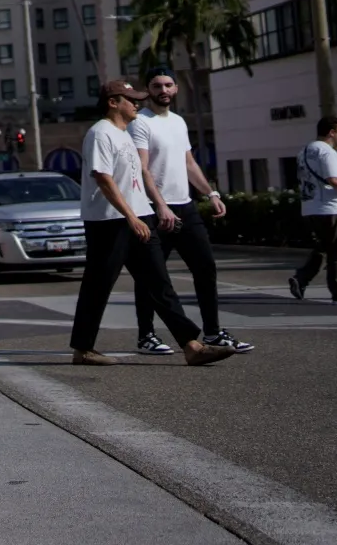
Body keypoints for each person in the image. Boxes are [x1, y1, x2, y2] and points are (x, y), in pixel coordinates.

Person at [68, 80, 235, 367]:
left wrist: (147, 211)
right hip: (110, 222)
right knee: (98, 285)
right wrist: (131, 217)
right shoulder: (100, 133)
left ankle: (192, 346)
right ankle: (83, 350)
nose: (137, 103)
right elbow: (103, 178)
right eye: (131, 99)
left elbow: (136, 178)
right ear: (113, 102)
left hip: (138, 217)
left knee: (160, 283)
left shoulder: (124, 135)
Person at [128, 72, 250, 355]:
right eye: (157, 85)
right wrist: (160, 205)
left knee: (205, 268)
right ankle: (146, 335)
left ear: (176, 88)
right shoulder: (141, 123)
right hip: (155, 210)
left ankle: (212, 332)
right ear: (148, 89)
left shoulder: (179, 122)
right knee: (152, 276)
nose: (163, 90)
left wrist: (212, 194)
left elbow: (189, 162)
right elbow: (142, 168)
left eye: (168, 85)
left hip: (186, 207)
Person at [291, 117, 337, 304]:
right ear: (331, 132)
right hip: (332, 208)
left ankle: (301, 279)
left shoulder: (305, 151)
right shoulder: (327, 152)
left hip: (310, 207)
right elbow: (335, 180)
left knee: (324, 247)